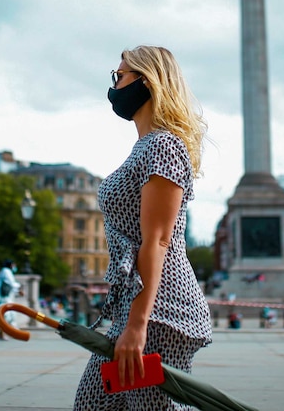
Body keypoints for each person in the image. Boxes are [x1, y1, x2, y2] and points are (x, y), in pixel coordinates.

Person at [74, 46, 212, 410]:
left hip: (160, 313)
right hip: (137, 310)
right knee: (92, 405)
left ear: (146, 81)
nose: (115, 86)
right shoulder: (145, 147)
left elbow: (158, 239)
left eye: (120, 77)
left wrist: (139, 325)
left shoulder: (163, 146)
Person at [0, 259, 22, 340]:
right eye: (13, 265)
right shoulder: (6, 271)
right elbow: (11, 283)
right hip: (4, 297)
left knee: (3, 312)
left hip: (2, 296)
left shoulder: (3, 271)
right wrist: (19, 289)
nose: (14, 267)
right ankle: (3, 332)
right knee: (6, 313)